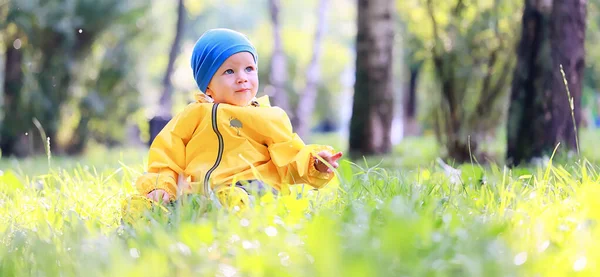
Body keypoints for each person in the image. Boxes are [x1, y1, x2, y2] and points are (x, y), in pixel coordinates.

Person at [129, 28, 342, 213]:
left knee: (254, 192)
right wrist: (160, 186)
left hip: (251, 184)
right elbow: (166, 155)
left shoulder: (268, 117)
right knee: (175, 203)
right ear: (208, 85)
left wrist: (315, 163)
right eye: (229, 71)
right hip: (199, 191)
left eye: (249, 69)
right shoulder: (192, 114)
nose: (242, 77)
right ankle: (148, 211)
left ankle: (237, 204)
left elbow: (290, 156)